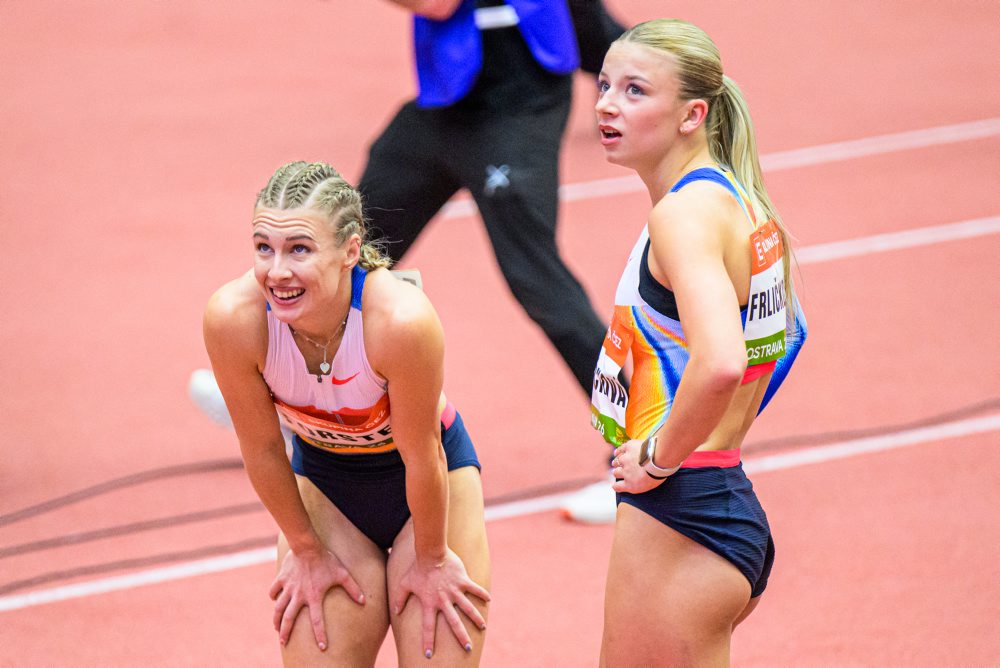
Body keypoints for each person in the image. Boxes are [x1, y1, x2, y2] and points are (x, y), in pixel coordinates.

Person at [188, 0, 630, 523]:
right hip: (449, 96)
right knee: (348, 240)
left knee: (537, 280)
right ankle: (280, 394)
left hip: (516, 101)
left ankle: (638, 450)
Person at [203, 161, 491, 666]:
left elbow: (423, 457)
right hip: (328, 487)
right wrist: (306, 551)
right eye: (263, 248)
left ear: (350, 251)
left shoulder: (399, 321)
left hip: (424, 486)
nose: (277, 272)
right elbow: (264, 448)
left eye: (299, 250)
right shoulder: (234, 320)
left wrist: (431, 559)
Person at [589, 19, 807, 664]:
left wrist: (661, 455)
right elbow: (790, 333)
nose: (606, 103)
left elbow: (720, 362)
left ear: (693, 114)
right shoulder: (740, 201)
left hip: (680, 512)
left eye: (634, 91)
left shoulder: (683, 215)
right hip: (718, 497)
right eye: (604, 84)